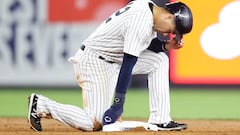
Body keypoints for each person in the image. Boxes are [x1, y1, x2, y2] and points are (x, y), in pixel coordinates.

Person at [27, 0, 193, 132]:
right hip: (95, 62)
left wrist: (165, 46)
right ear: (170, 17)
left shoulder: (147, 6)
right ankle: (40, 104)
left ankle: (161, 119)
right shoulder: (141, 21)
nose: (167, 34)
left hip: (114, 59)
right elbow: (129, 62)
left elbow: (143, 43)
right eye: (172, 30)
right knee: (93, 124)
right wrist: (117, 105)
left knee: (159, 61)